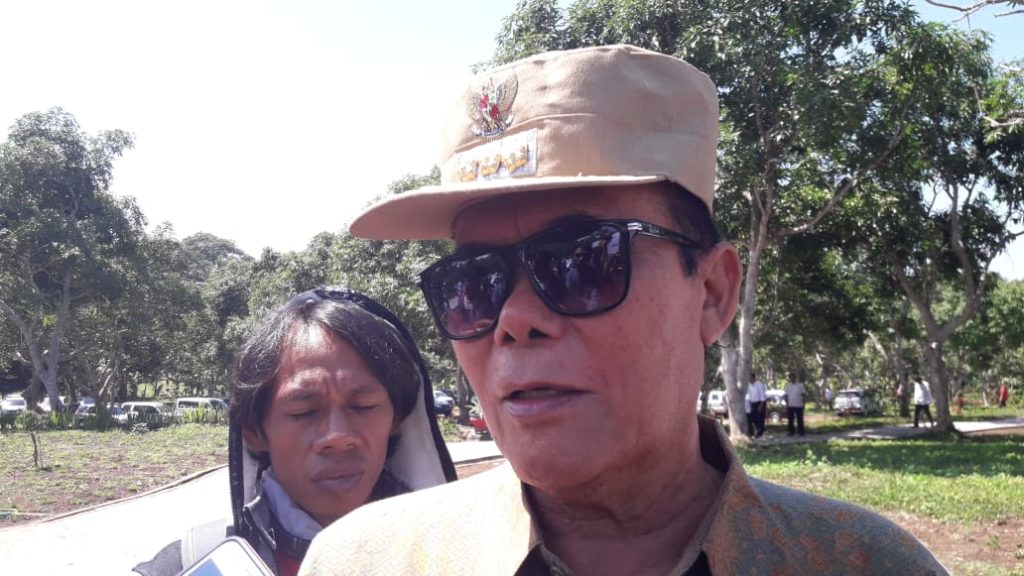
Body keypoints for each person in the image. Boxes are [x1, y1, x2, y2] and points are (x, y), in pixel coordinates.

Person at [301, 45, 946, 575]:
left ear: (713, 293)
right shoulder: (363, 562)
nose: (514, 320)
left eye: (581, 262)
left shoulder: (866, 565)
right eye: (472, 282)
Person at [133, 288, 456, 576]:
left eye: (363, 406)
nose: (338, 436)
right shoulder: (194, 564)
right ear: (254, 431)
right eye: (304, 412)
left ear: (396, 418)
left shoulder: (461, 554)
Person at [784, 372, 806, 436]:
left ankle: (801, 432)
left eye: (793, 377)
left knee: (800, 419)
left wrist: (804, 403)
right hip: (790, 405)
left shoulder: (800, 385)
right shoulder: (787, 386)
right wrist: (787, 403)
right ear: (789, 378)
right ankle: (791, 431)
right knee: (790, 419)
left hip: (799, 405)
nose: (792, 379)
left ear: (795, 378)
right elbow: (786, 395)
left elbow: (803, 394)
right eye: (791, 378)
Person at [747, 371, 768, 438]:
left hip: (760, 402)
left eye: (750, 378)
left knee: (760, 418)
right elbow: (749, 395)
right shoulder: (749, 385)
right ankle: (758, 430)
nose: (750, 379)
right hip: (753, 403)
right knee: (754, 418)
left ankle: (760, 432)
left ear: (754, 378)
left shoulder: (759, 385)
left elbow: (762, 396)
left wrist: (761, 405)